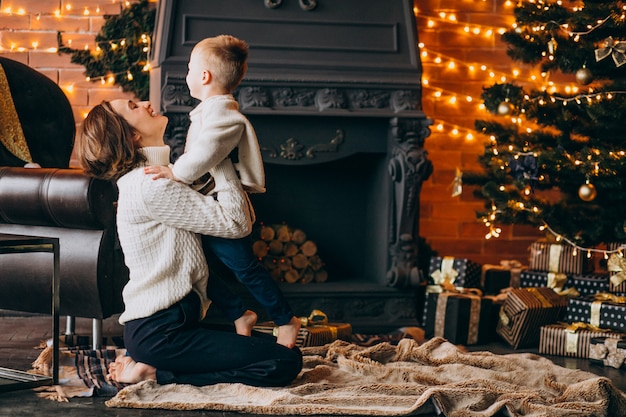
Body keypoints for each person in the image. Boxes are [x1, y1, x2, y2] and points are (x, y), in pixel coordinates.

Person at [76, 98, 302, 387]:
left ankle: (148, 362)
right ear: (130, 136)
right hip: (162, 333)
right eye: (133, 106)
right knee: (284, 361)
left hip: (171, 326)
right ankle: (157, 372)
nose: (146, 102)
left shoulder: (158, 177)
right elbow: (236, 224)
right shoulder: (151, 186)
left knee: (280, 351)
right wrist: (219, 158)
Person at [144, 34, 301, 348]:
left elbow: (205, 154)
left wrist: (174, 171)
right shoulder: (208, 110)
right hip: (205, 206)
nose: (187, 74)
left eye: (190, 68)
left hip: (222, 210)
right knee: (193, 266)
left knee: (245, 269)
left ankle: (286, 320)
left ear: (204, 76)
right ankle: (239, 314)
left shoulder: (224, 115)